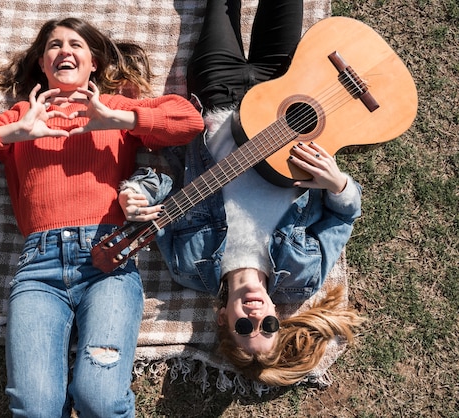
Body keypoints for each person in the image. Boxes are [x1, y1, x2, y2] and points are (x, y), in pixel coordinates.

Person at [0, 17, 204, 418]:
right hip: (38, 271)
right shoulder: (21, 117)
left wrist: (122, 120)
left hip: (107, 261)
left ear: (94, 63)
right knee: (36, 409)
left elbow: (188, 122)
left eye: (76, 44)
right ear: (42, 64)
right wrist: (10, 133)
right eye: (54, 46)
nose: (64, 51)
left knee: (101, 401)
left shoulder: (112, 108)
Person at [118, 0, 364, 387]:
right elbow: (343, 216)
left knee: (219, 6)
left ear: (222, 320)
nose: (255, 314)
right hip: (286, 93)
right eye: (267, 324)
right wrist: (337, 184)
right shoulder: (302, 275)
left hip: (217, 95)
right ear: (277, 317)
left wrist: (135, 194)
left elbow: (162, 193)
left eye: (244, 326)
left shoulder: (188, 265)